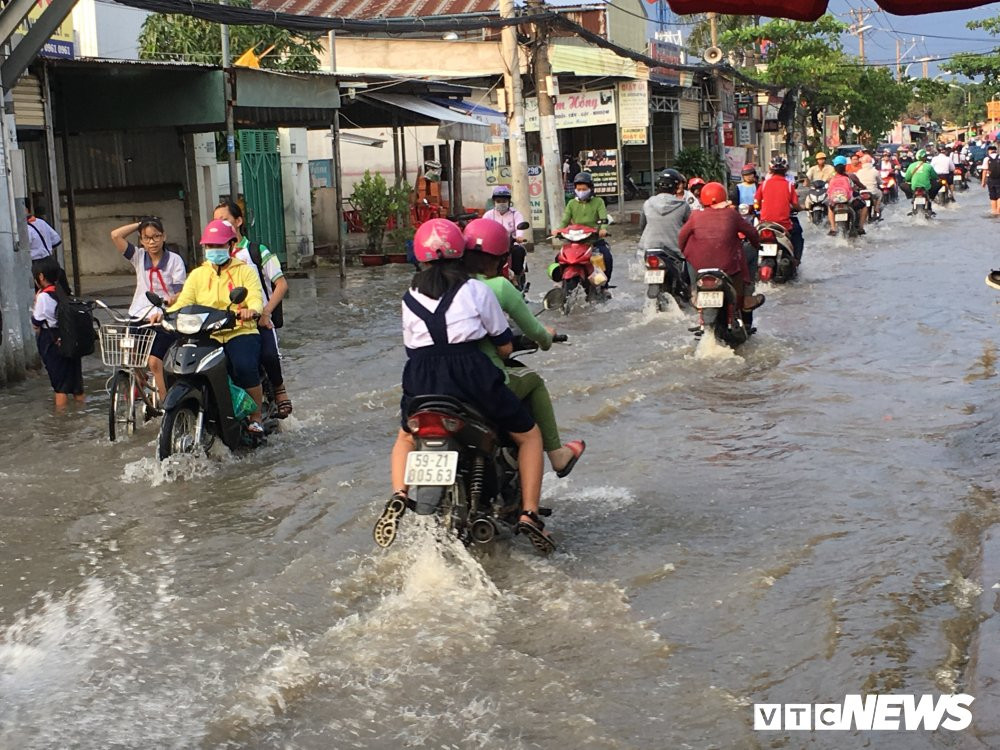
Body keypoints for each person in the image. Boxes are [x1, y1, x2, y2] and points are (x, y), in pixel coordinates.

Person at [379, 218, 550, 552]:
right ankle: (529, 512)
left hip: (421, 377)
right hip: (470, 373)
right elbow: (502, 344)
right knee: (529, 435)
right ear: (460, 251)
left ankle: (400, 493)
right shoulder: (476, 290)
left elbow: (411, 347)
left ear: (419, 256)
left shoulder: (409, 296)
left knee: (405, 437)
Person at [461, 217, 585, 477]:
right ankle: (556, 455)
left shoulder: (441, 288)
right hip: (484, 377)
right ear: (502, 258)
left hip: (440, 380)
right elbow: (530, 332)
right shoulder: (499, 287)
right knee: (535, 382)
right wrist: (546, 339)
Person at [156, 219, 266, 434]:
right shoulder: (198, 274)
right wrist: (165, 314)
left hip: (239, 330)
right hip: (205, 334)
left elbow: (254, 298)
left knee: (243, 366)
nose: (213, 250)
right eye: (210, 246)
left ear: (231, 246)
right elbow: (184, 301)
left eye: (219, 246)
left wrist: (250, 310)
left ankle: (256, 415)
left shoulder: (245, 272)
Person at [213, 202, 293, 418]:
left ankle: (279, 390)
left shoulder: (257, 251)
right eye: (216, 220)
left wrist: (265, 312)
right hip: (229, 323)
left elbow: (281, 284)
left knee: (268, 354)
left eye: (225, 219)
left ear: (238, 221)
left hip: (258, 318)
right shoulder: (215, 255)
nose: (220, 224)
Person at [110, 216, 187, 402]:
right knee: (129, 353)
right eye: (147, 237)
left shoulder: (174, 260)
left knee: (154, 362)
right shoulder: (138, 256)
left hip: (165, 316)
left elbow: (181, 292)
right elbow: (115, 235)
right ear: (141, 240)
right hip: (138, 314)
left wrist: (168, 302)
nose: (152, 242)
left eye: (156, 236)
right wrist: (141, 224)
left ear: (164, 237)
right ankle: (140, 382)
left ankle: (164, 401)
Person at [678, 182, 764, 312]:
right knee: (751, 251)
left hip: (700, 267)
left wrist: (684, 253)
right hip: (728, 267)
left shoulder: (695, 215)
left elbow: (682, 238)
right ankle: (747, 296)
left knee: (689, 255)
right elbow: (752, 233)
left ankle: (695, 292)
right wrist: (756, 244)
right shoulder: (731, 214)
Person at [31, 256, 84, 409]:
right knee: (76, 385)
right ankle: (80, 412)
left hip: (52, 341)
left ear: (40, 276)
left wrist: (35, 304)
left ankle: (62, 422)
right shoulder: (63, 292)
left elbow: (36, 323)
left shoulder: (43, 297)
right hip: (70, 338)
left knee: (60, 386)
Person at [560, 172, 613, 284]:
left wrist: (603, 229)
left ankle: (604, 286)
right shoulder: (571, 204)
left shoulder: (598, 202)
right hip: (575, 241)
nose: (581, 191)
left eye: (584, 189)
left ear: (590, 188)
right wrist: (558, 230)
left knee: (606, 257)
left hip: (594, 240)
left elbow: (603, 218)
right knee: (559, 258)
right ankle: (561, 281)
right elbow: (565, 220)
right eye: (578, 189)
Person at [756, 156, 804, 261]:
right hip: (784, 225)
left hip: (764, 225)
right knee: (798, 231)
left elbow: (756, 203)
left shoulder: (763, 185)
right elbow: (795, 204)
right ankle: (796, 260)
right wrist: (802, 208)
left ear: (770, 169)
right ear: (785, 170)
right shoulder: (788, 185)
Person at [639, 169, 691, 259]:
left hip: (648, 250)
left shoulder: (648, 203)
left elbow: (642, 226)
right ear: (677, 186)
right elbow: (689, 228)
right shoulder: (683, 205)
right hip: (675, 251)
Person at [482, 185, 528, 285]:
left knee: (518, 251)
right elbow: (483, 228)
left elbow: (519, 227)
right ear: (494, 201)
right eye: (498, 201)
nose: (501, 203)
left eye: (504, 201)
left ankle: (516, 276)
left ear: (508, 201)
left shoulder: (515, 214)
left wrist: (519, 237)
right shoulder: (488, 215)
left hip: (511, 243)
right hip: (493, 245)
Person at [25, 200, 71, 294]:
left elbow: (24, 249)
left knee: (41, 293)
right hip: (50, 260)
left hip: (36, 264)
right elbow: (56, 239)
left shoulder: (25, 228)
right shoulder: (41, 222)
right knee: (56, 290)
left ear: (25, 209)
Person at [826, 156, 869, 235]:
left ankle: (833, 228)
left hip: (835, 201)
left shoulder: (831, 177)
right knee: (864, 206)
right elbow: (859, 185)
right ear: (845, 165)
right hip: (849, 200)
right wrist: (864, 187)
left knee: (830, 208)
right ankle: (860, 227)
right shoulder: (851, 176)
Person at [854, 154, 884, 221]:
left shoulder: (859, 172)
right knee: (880, 195)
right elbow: (880, 182)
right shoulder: (875, 171)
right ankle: (876, 209)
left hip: (862, 191)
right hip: (873, 191)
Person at [982, 143, 1000, 215]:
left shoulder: (987, 158)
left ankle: (994, 211)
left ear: (989, 151)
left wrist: (983, 181)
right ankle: (999, 210)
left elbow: (984, 171)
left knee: (993, 196)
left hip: (991, 179)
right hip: (999, 179)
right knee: (999, 195)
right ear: (996, 150)